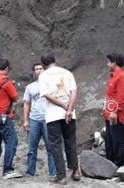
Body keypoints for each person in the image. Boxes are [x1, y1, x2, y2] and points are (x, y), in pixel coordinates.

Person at [39, 54, 81, 185]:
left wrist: (61, 105)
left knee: (56, 145)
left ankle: (61, 176)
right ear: (54, 61)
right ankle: (75, 171)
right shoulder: (67, 73)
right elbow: (74, 91)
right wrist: (69, 109)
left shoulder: (44, 75)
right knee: (70, 142)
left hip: (53, 115)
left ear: (44, 65)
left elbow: (46, 95)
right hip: (69, 114)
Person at [23, 63, 56, 179]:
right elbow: (26, 104)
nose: (38, 70)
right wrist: (25, 120)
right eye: (36, 69)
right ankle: (30, 172)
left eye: (40, 68)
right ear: (34, 72)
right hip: (34, 120)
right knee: (32, 148)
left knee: (51, 148)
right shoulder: (30, 87)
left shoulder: (51, 85)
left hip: (48, 119)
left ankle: (53, 173)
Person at [102, 53, 124, 167]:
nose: (107, 64)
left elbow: (121, 96)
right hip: (109, 114)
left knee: (118, 140)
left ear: (114, 62)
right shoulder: (113, 76)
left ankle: (120, 166)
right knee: (110, 140)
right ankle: (111, 164)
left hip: (117, 115)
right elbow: (110, 95)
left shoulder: (122, 76)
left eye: (109, 62)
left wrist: (114, 111)